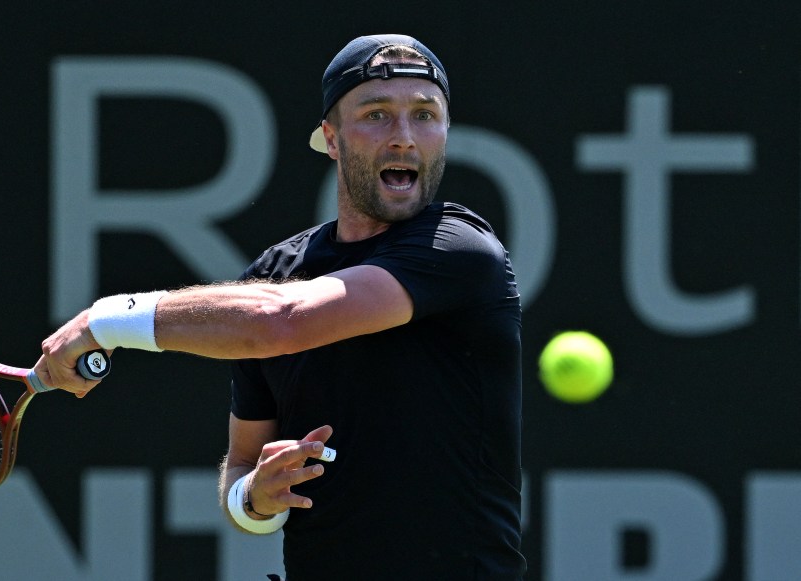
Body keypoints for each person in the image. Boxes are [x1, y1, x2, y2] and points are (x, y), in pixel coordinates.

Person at [36, 34, 526, 580]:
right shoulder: (274, 274)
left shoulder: (459, 250)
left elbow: (278, 322)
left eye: (424, 115)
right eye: (377, 114)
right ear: (332, 139)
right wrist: (256, 498)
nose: (404, 138)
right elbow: (242, 470)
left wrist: (103, 320)